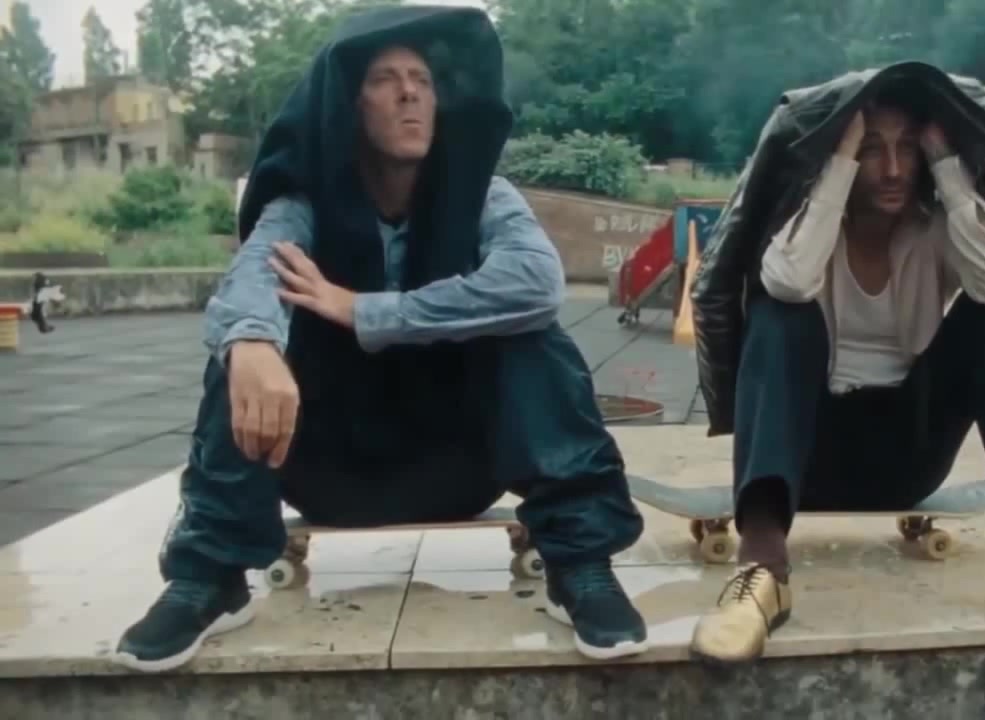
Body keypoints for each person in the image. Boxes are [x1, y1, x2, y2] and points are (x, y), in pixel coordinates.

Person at [112, 5, 648, 673]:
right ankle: (210, 578)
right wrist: (251, 344)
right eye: (386, 80)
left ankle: (582, 566)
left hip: (458, 463)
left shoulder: (485, 196)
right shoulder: (302, 204)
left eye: (421, 80)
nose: (409, 94)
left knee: (531, 339)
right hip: (328, 468)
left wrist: (367, 310)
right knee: (246, 349)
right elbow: (252, 275)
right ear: (350, 104)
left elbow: (538, 283)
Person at [687, 81, 985, 664]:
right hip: (806, 457)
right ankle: (762, 572)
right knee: (778, 311)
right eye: (872, 149)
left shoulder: (937, 228)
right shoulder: (807, 233)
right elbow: (787, 281)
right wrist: (839, 157)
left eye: (907, 147)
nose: (893, 169)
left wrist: (948, 163)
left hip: (910, 450)